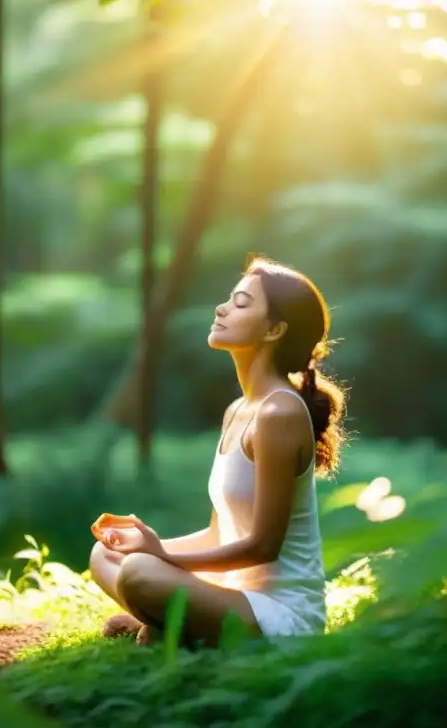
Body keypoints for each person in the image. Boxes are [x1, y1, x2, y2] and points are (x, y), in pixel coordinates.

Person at [88, 256, 347, 647]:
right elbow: (217, 533)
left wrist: (158, 556)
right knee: (106, 556)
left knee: (140, 572)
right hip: (232, 594)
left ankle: (171, 627)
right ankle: (169, 625)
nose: (222, 308)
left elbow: (263, 546)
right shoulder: (238, 411)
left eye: (241, 303)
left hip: (280, 616)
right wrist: (145, 541)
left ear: (275, 329)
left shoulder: (280, 412)